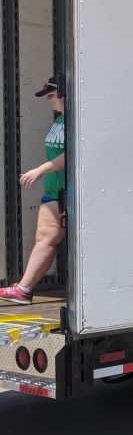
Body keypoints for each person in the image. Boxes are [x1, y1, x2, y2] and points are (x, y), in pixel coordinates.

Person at [0, 79, 66, 305]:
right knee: (45, 237)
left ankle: (24, 288)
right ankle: (24, 289)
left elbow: (74, 153)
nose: (49, 99)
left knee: (48, 237)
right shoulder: (60, 120)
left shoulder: (78, 121)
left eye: (52, 94)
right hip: (54, 191)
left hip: (68, 193)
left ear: (66, 92)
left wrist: (40, 170)